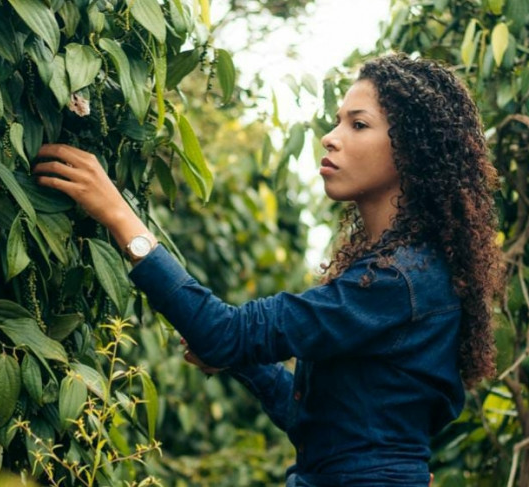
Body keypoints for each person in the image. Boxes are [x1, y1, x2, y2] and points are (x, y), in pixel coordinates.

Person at [32, 53, 504, 486]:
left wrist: (119, 215)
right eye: (338, 120)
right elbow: (313, 423)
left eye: (358, 125)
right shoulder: (393, 271)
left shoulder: (399, 280)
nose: (331, 136)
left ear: (412, 149)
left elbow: (223, 331)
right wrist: (238, 357)